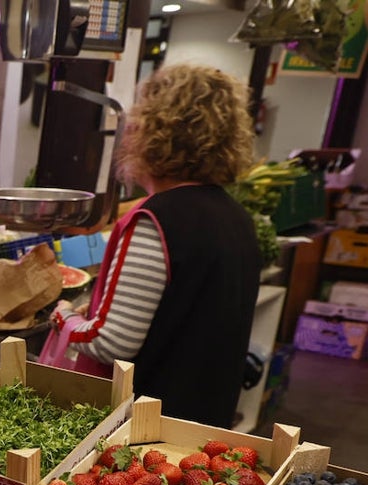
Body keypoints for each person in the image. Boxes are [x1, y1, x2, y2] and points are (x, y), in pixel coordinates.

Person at [47, 64, 261, 427]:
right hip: (204, 425)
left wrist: (62, 313)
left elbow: (110, 343)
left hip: (148, 432)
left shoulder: (156, 219)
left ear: (154, 131)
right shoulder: (237, 217)